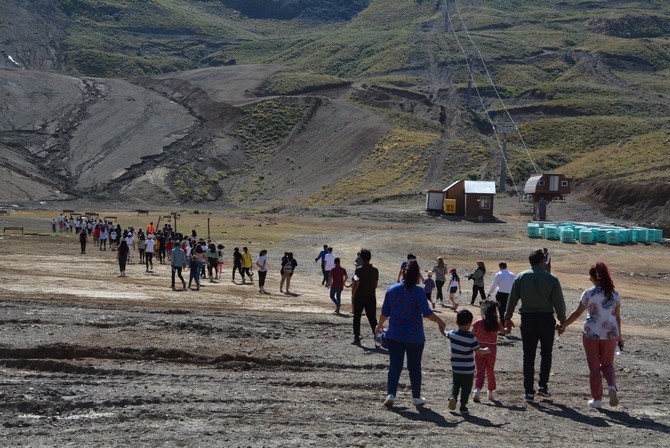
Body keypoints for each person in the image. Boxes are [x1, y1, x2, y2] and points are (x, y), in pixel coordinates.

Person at [376, 260, 446, 408]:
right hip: (414, 336)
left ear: (404, 273)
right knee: (414, 367)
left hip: (394, 334)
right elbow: (426, 313)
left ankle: (391, 394)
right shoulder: (419, 292)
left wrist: (379, 325)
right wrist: (441, 322)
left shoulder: (392, 290)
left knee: (395, 366)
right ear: (417, 275)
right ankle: (416, 397)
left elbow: (385, 312)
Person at [557, 262, 622, 409]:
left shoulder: (588, 293)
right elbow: (617, 317)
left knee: (594, 368)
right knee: (607, 365)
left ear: (593, 277)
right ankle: (612, 387)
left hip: (591, 333)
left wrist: (563, 325)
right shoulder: (615, 295)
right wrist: (620, 336)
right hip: (610, 334)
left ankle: (597, 400)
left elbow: (577, 313)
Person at [504, 249, 566, 401]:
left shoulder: (521, 277)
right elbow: (559, 303)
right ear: (541, 261)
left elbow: (512, 299)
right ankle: (543, 386)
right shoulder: (551, 278)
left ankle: (528, 391)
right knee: (546, 354)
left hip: (528, 319)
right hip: (546, 319)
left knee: (528, 355)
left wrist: (507, 317)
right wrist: (562, 321)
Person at [446, 309, 490, 415]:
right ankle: (463, 406)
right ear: (470, 324)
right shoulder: (471, 338)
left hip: (456, 366)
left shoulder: (452, 334)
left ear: (456, 323)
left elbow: (445, 333)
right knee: (466, 387)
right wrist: (487, 350)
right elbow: (478, 352)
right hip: (468, 368)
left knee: (455, 383)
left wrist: (441, 327)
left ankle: (453, 397)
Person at [472, 300, 508, 403]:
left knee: (479, 370)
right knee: (490, 370)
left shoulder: (477, 323)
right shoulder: (496, 324)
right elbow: (505, 331)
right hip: (491, 350)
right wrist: (508, 325)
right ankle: (491, 391)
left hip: (479, 349)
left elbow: (471, 335)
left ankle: (477, 390)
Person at [351, 248, 379, 346]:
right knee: (372, 318)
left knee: (357, 317)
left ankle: (357, 338)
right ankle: (377, 338)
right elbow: (375, 284)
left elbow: (356, 284)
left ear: (361, 258)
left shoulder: (358, 270)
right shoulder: (375, 270)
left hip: (360, 296)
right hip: (371, 296)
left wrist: (353, 295)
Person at [487, 261, 515, 328]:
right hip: (510, 295)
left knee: (501, 311)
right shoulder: (512, 274)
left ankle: (503, 328)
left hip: (501, 295)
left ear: (500, 267)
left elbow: (494, 285)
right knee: (508, 310)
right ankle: (508, 326)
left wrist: (489, 293)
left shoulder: (499, 274)